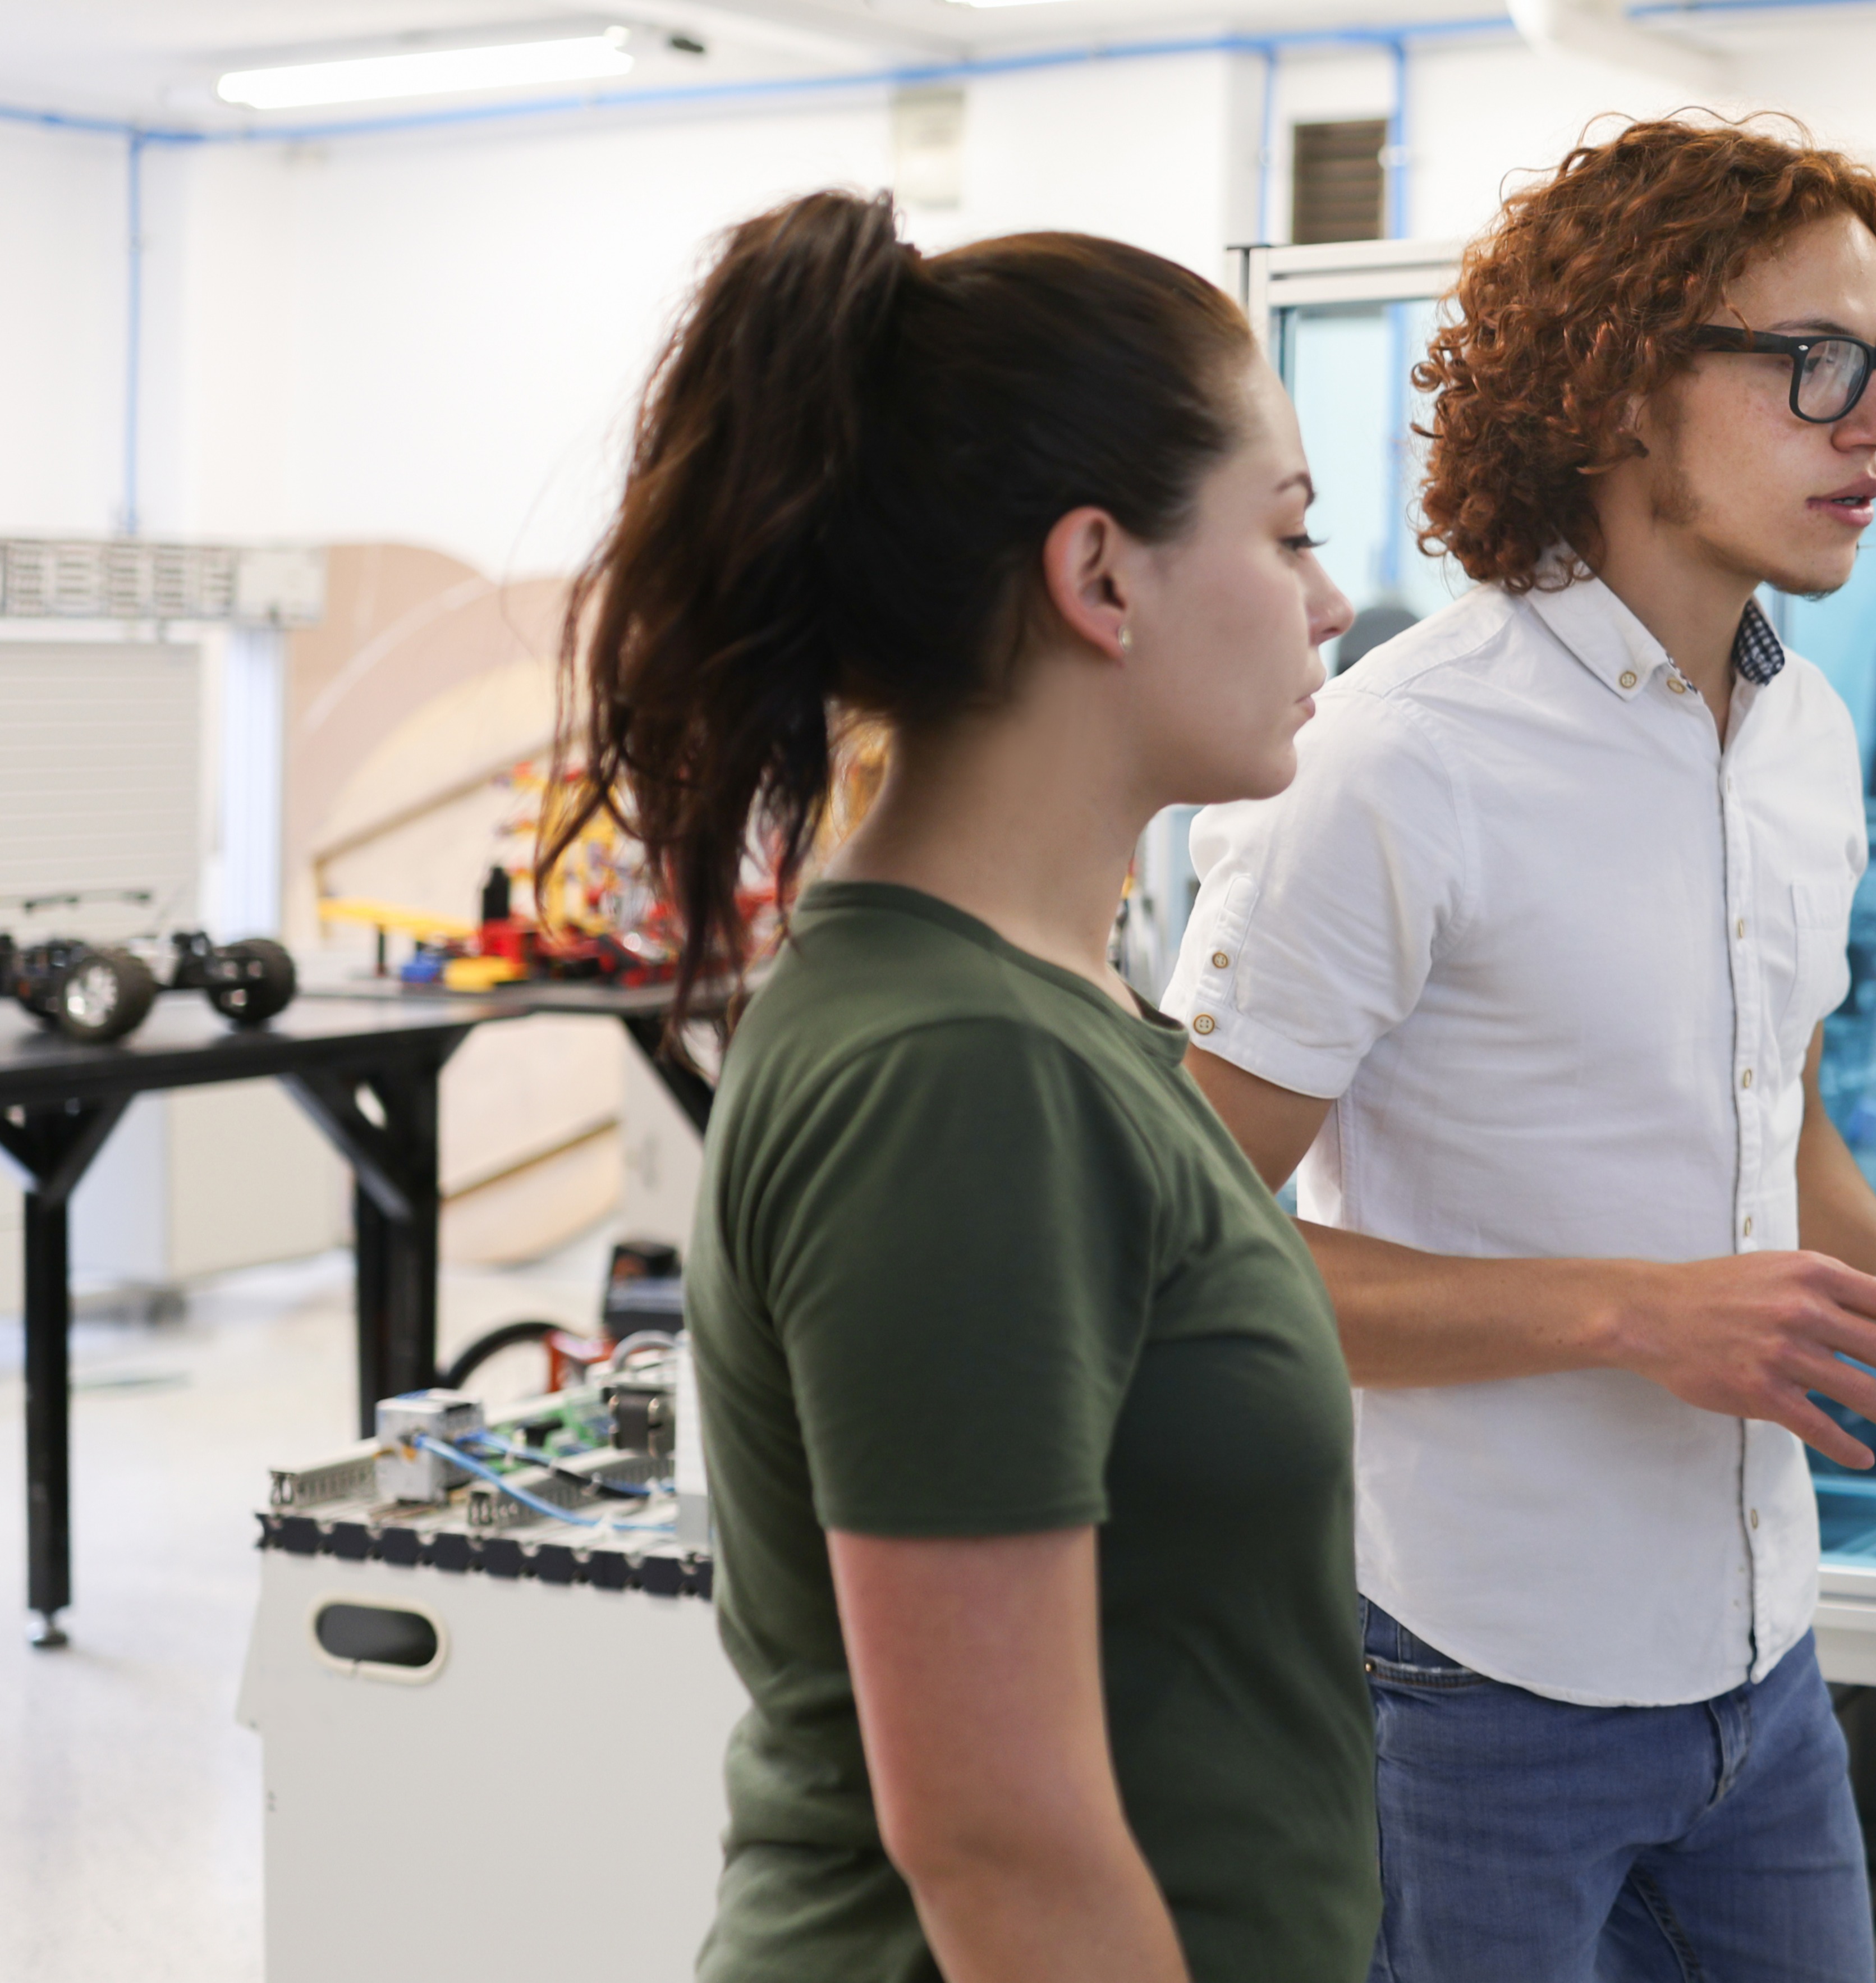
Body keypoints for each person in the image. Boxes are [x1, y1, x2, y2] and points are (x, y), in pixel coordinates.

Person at [1166, 117, 1876, 1980]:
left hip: (1760, 1664)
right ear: (1621, 389)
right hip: (1462, 1679)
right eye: (1816, 364)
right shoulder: (1394, 761)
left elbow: (1775, 1112)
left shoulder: (1802, 736)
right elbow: (1177, 1262)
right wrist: (1628, 1317)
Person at [551, 190, 1370, 1981]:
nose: (1328, 602)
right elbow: (1001, 1849)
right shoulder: (961, 1076)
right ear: (1098, 578)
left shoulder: (1047, 1007)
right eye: (1287, 531)